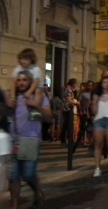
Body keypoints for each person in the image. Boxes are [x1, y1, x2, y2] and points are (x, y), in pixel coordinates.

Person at [8, 69, 52, 209]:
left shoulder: (39, 96)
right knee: (14, 176)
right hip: (13, 140)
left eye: (24, 80)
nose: (21, 83)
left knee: (28, 174)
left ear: (30, 82)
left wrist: (36, 106)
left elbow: (49, 118)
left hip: (31, 139)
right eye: (19, 80)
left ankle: (37, 191)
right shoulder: (13, 97)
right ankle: (15, 206)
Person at [11, 49, 44, 117]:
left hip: (35, 87)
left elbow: (36, 82)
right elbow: (13, 82)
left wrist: (29, 91)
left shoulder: (35, 69)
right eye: (22, 59)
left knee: (38, 91)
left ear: (31, 60)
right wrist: (12, 96)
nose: (23, 61)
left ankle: (35, 108)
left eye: (26, 59)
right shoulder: (18, 69)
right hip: (23, 88)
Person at [60, 78, 80, 147]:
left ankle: (65, 140)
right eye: (76, 84)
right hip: (67, 109)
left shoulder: (68, 90)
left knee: (66, 125)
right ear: (73, 84)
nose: (76, 85)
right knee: (68, 126)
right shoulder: (68, 90)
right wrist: (77, 103)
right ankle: (66, 140)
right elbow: (69, 101)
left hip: (66, 109)